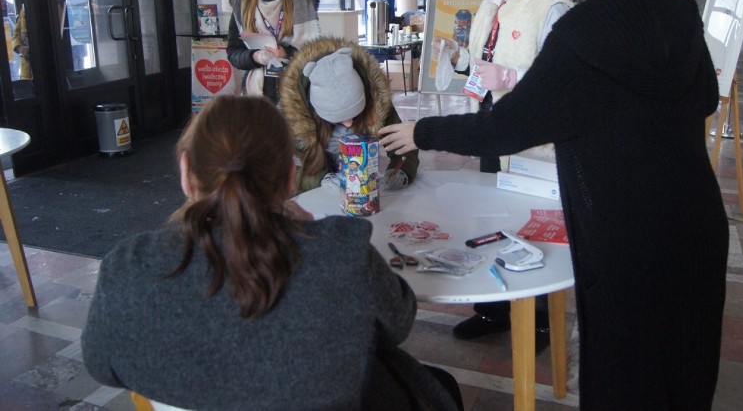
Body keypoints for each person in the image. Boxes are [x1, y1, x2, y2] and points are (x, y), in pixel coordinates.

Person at [380, 0, 729, 410]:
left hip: (624, 228)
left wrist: (420, 131)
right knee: (686, 362)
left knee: (625, 369)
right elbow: (705, 96)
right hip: (694, 217)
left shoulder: (582, 30)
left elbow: (508, 127)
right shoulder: (677, 8)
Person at [81, 95, 461, 411]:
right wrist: (316, 234)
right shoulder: (340, 253)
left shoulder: (128, 268)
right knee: (439, 385)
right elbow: (398, 321)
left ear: (185, 172)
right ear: (289, 178)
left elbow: (102, 364)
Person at [436, 0, 572, 348]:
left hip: (534, 141)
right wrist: (459, 58)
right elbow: (482, 64)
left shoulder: (549, 5)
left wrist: (511, 78)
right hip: (492, 129)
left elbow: (561, 81)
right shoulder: (492, 3)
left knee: (533, 227)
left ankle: (538, 321)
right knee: (494, 220)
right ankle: (494, 308)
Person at [279, 37, 418, 194]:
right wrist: (321, 179)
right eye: (338, 120)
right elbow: (290, 168)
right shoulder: (294, 118)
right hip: (317, 195)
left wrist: (401, 170)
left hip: (361, 188)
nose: (349, 123)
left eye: (356, 113)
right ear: (316, 111)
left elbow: (402, 144)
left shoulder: (377, 100)